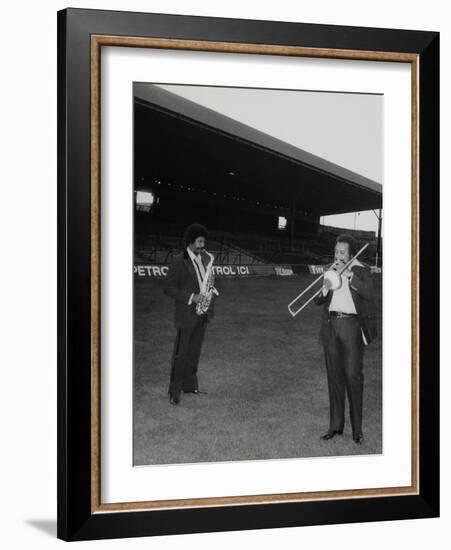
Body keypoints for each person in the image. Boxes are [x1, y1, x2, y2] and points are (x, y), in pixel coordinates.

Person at [314, 234, 377, 445]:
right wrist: (325, 286)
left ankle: (357, 431)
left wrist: (349, 275)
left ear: (351, 254)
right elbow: (318, 301)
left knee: (353, 378)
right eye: (336, 251)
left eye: (342, 253)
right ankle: (335, 426)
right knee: (335, 378)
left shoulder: (361, 270)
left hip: (351, 326)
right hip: (331, 326)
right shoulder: (330, 270)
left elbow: (369, 293)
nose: (337, 256)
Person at [163, 223, 218, 406]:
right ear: (191, 241)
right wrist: (191, 297)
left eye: (204, 241)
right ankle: (174, 391)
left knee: (194, 353)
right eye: (200, 241)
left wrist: (210, 290)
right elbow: (168, 288)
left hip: (202, 314)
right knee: (181, 355)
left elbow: (205, 281)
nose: (203, 245)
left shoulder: (204, 259)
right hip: (186, 314)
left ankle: (190, 386)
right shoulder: (179, 260)